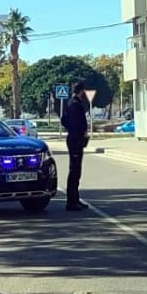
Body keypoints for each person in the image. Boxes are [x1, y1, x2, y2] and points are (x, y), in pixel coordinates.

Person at [60, 82, 90, 211]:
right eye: (84, 91)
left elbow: (63, 120)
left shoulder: (72, 103)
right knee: (74, 171)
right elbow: (70, 122)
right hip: (75, 140)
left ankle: (75, 199)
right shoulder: (75, 105)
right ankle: (71, 201)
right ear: (81, 91)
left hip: (74, 139)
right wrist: (77, 133)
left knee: (76, 171)